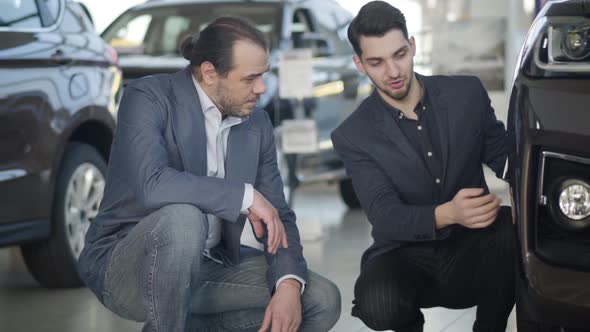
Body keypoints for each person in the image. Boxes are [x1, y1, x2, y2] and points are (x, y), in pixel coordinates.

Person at [78, 16, 340, 332]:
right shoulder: (147, 98)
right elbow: (152, 184)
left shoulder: (257, 124)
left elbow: (277, 215)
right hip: (127, 268)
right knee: (184, 218)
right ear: (209, 73)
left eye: (263, 76)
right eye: (250, 78)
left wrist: (287, 285)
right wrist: (245, 197)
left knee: (320, 301)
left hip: (210, 266)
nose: (262, 88)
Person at [330, 2, 515, 332]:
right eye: (377, 62)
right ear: (359, 64)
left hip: (474, 245)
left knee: (515, 233)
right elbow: (385, 215)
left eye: (399, 54)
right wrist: (449, 213)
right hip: (404, 255)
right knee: (378, 302)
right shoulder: (353, 135)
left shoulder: (466, 94)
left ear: (412, 45)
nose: (393, 71)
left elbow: (507, 159)